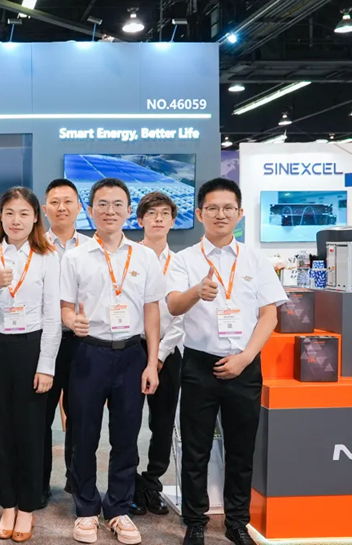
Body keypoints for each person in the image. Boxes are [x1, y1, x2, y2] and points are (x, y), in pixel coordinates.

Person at [166, 178, 286, 545]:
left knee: (241, 448)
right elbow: (173, 305)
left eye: (228, 208)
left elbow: (269, 316)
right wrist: (196, 292)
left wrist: (246, 357)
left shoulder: (255, 259)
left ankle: (237, 522)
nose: (221, 214)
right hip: (199, 365)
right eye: (213, 208)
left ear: (240, 213)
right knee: (195, 449)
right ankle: (195, 521)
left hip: (244, 365)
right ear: (200, 213)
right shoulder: (184, 259)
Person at [60, 178, 162, 545]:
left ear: (129, 211)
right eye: (102, 204)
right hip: (89, 353)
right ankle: (86, 508)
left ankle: (118, 508)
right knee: (83, 435)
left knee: (127, 437)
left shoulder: (144, 257)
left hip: (132, 355)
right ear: (90, 210)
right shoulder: (75, 257)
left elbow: (152, 311)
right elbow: (64, 308)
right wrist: (72, 321)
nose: (110, 211)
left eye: (118, 204)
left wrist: (152, 363)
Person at [0, 186, 60, 542]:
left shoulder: (48, 256)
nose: (16, 220)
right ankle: (7, 503)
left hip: (32, 347)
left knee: (30, 429)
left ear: (35, 217)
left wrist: (46, 365)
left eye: (24, 213)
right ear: (0, 217)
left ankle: (27, 506)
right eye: (9, 213)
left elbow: (53, 316)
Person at [129, 192, 184, 517]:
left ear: (173, 221)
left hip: (169, 351)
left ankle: (152, 482)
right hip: (132, 348)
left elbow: (183, 315)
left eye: (165, 213)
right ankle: (130, 483)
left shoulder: (181, 263)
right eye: (152, 213)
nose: (158, 219)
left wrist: (160, 354)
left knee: (162, 423)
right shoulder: (129, 257)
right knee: (128, 420)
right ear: (140, 220)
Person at [40, 178, 92, 506]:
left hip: (80, 342)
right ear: (45, 209)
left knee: (80, 414)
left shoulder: (92, 247)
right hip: (44, 341)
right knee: (40, 415)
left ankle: (76, 479)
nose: (61, 208)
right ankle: (38, 481)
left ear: (79, 207)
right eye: (55, 202)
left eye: (68, 201)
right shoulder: (35, 245)